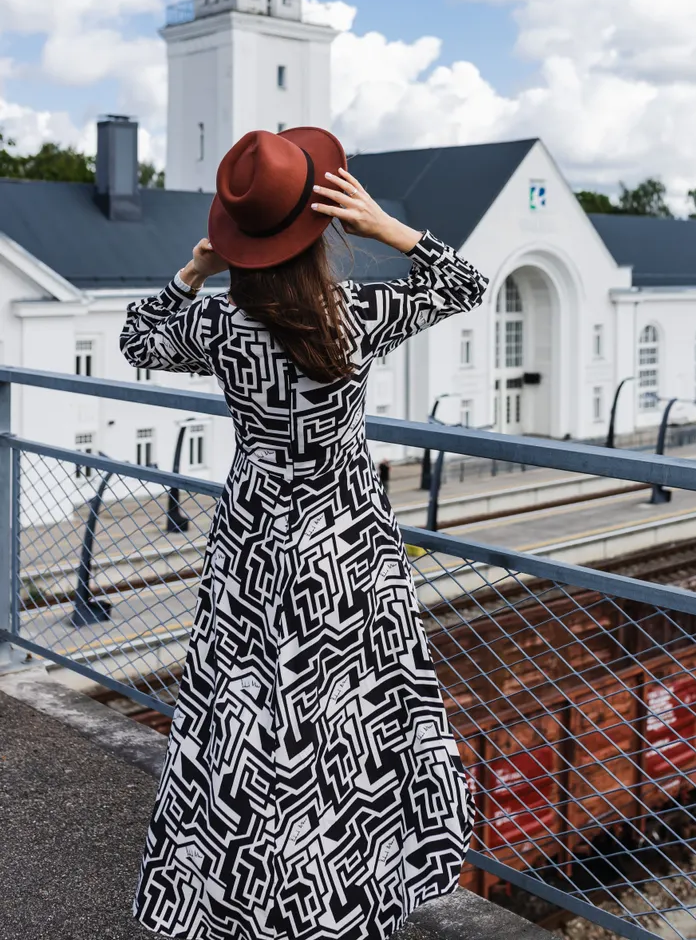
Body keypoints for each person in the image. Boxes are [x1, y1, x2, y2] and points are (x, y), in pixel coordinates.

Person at [120, 126, 488, 940]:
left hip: (254, 534)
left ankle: (240, 891)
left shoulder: (220, 327)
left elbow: (136, 338)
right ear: (317, 224)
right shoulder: (355, 315)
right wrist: (385, 227)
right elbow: (466, 283)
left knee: (245, 713)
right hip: (344, 540)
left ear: (242, 239)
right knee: (351, 717)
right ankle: (345, 894)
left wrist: (194, 271)